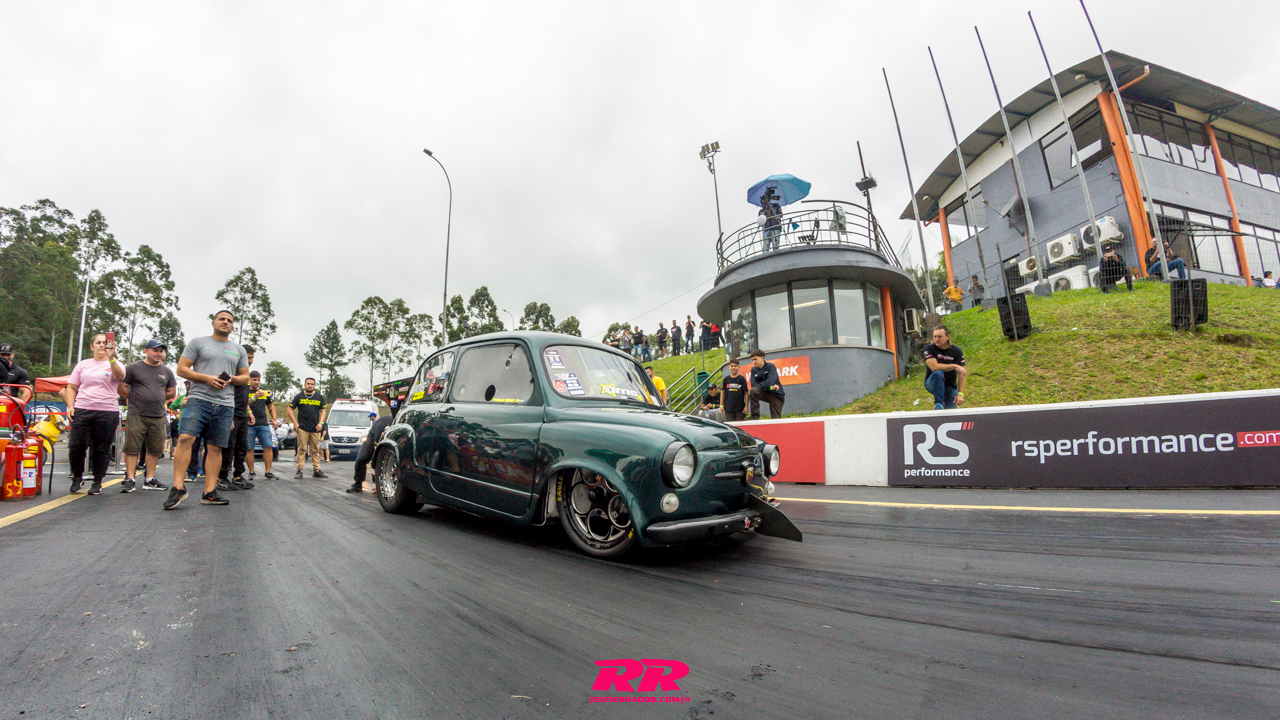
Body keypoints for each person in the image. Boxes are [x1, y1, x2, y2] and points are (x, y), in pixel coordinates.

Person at [164, 310, 249, 510]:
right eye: (222, 319)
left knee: (216, 447)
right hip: (198, 399)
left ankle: (209, 492)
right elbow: (182, 369)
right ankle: (178, 488)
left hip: (225, 404)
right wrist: (207, 378)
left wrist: (231, 378)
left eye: (229, 320)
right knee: (185, 438)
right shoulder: (198, 342)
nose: (225, 322)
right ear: (213, 322)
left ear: (232, 326)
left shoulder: (238, 350)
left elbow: (245, 377)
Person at [62, 333, 125, 495]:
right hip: (83, 408)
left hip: (107, 410)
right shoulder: (83, 365)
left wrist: (111, 358)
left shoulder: (116, 363)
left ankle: (97, 481)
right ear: (92, 346)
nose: (102, 345)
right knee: (76, 445)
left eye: (105, 342)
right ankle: (77, 477)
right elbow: (71, 387)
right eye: (98, 343)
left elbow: (119, 377)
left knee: (101, 448)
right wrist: (70, 406)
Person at [118, 339, 176, 493]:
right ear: (146, 351)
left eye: (161, 351)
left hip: (158, 415)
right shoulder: (132, 368)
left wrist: (157, 397)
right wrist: (136, 397)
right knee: (132, 447)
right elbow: (122, 388)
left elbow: (172, 392)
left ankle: (149, 479)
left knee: (155, 448)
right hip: (137, 414)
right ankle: (130, 479)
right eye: (155, 350)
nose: (159, 354)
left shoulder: (166, 371)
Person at [217, 344, 256, 492]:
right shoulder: (229, 373)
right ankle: (222, 477)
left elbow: (242, 398)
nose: (251, 361)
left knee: (242, 447)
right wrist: (228, 416)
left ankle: (238, 476)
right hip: (230, 413)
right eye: (249, 358)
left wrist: (249, 412)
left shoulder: (246, 376)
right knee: (228, 447)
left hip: (242, 415)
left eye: (252, 358)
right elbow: (222, 395)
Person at [287, 377, 328, 479]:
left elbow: (323, 411)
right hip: (302, 428)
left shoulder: (319, 397)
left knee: (315, 450)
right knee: (302, 449)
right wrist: (295, 423)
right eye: (308, 384)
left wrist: (321, 423)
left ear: (314, 385)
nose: (310, 386)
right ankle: (299, 470)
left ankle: (316, 470)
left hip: (315, 428)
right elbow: (290, 409)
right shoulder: (299, 397)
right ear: (305, 385)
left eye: (312, 384)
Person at [922, 325, 967, 410]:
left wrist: (961, 393)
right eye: (935, 337)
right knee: (938, 373)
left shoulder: (956, 351)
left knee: (951, 411)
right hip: (932, 382)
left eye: (940, 336)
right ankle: (939, 404)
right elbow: (934, 367)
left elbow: (962, 373)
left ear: (948, 337)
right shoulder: (929, 348)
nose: (937, 339)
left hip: (949, 386)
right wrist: (954, 366)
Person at [348, 410, 394, 493]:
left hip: (390, 440)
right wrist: (377, 483)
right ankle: (357, 484)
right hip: (373, 438)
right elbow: (377, 455)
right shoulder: (383, 425)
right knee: (361, 459)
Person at [245, 371, 279, 479]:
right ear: (250, 380)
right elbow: (243, 404)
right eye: (254, 380)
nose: (257, 382)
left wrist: (274, 420)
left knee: (268, 446)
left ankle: (268, 471)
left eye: (258, 380)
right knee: (249, 448)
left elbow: (270, 406)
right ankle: (251, 472)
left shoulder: (264, 392)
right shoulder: (245, 390)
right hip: (248, 424)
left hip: (263, 423)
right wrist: (254, 397)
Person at [747, 349, 785, 419]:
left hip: (776, 394)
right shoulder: (753, 370)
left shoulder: (771, 366)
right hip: (766, 392)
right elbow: (753, 385)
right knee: (753, 391)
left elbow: (770, 382)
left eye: (755, 359)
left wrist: (767, 386)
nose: (754, 362)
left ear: (762, 357)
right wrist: (770, 387)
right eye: (752, 360)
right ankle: (755, 415)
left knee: (776, 419)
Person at [0, 342, 34, 406]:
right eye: (2, 354)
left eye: (8, 354)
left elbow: (26, 391)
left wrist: (18, 407)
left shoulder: (20, 372)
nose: (5, 357)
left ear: (13, 355)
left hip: (10, 405)